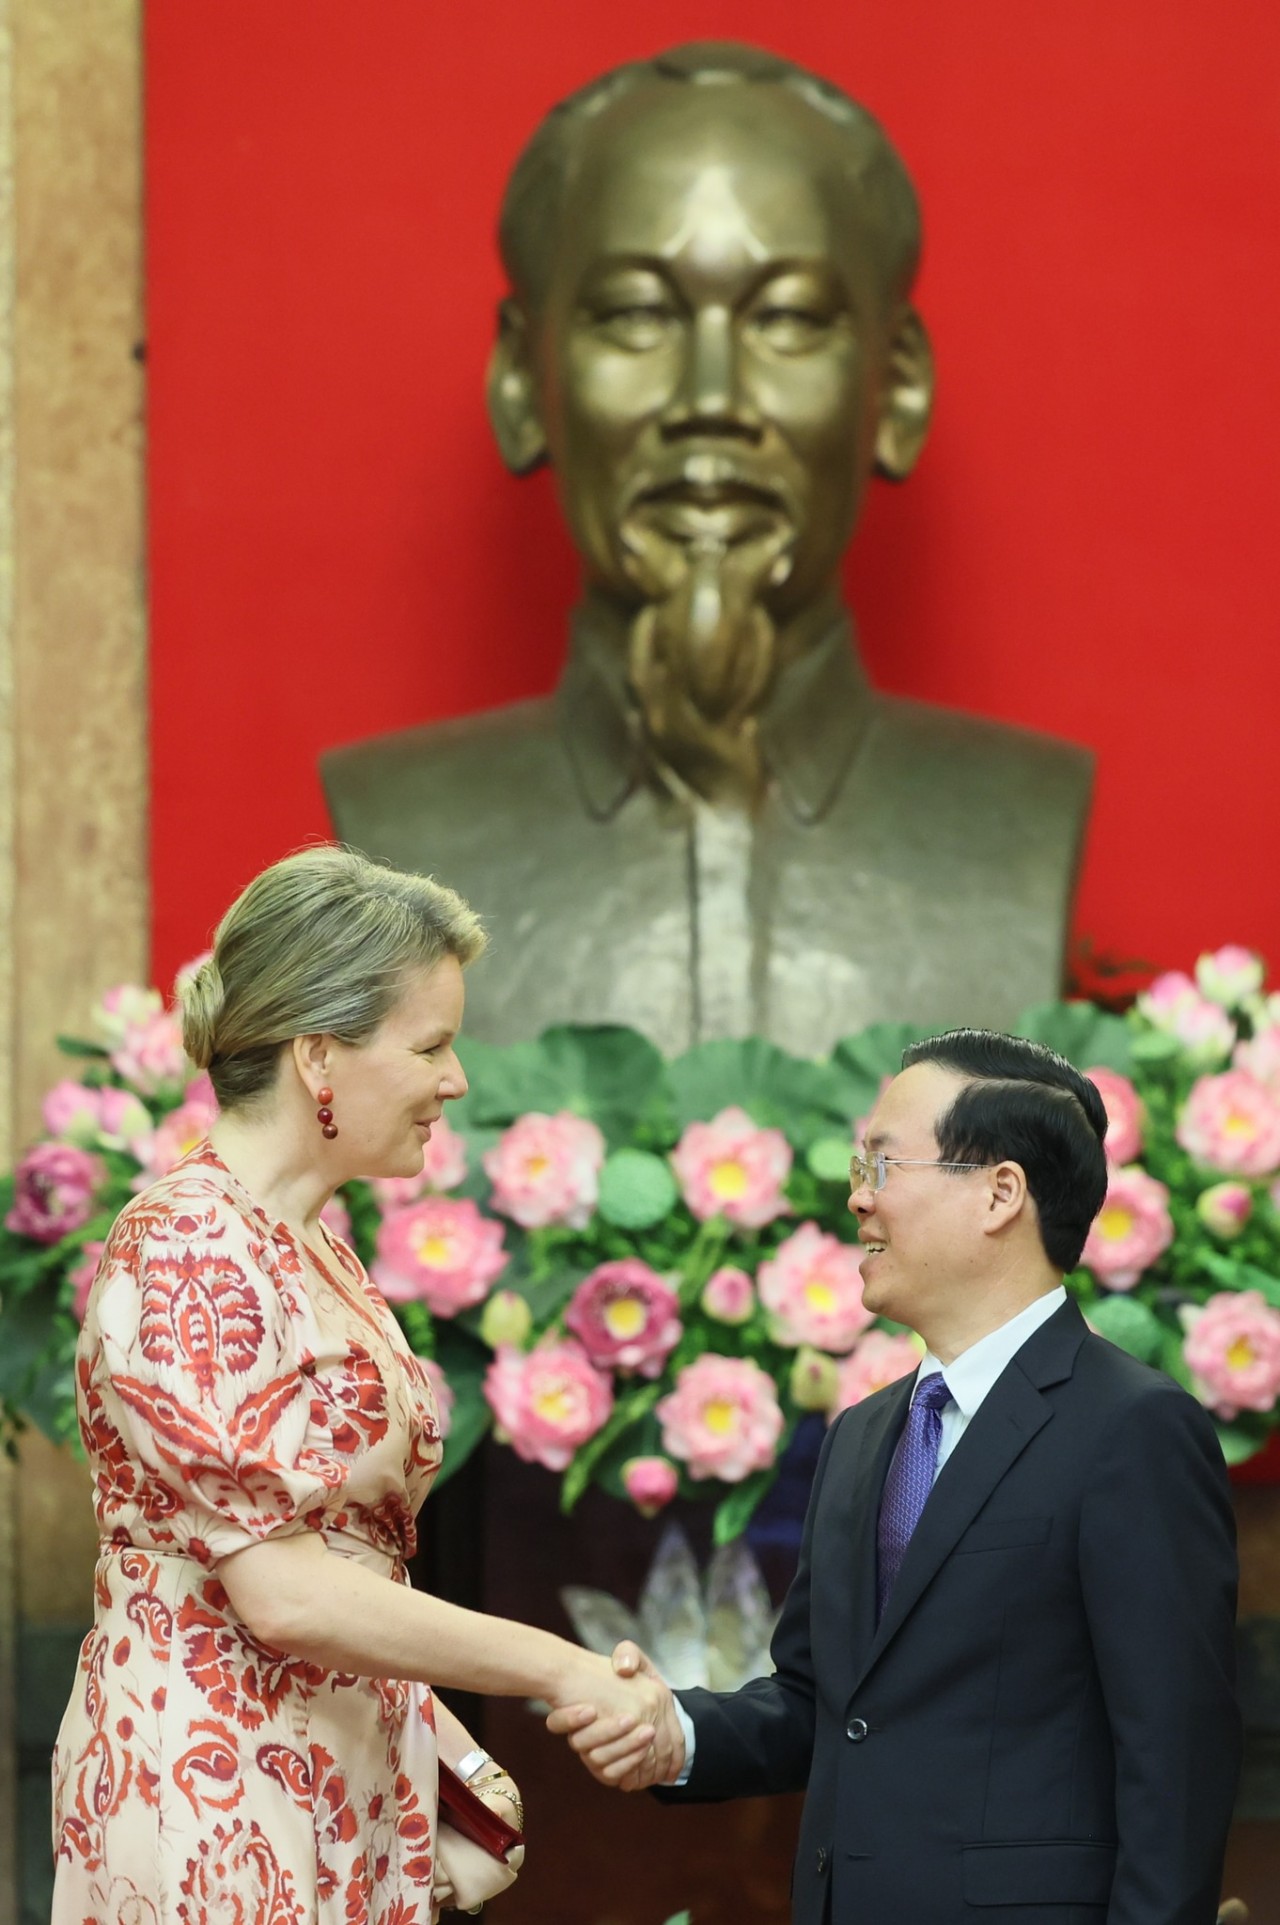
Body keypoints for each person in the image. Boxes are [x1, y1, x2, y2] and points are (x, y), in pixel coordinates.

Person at [322, 42, 1093, 1059]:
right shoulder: (397, 825)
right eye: (637, 314)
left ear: (895, 387)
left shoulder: (1019, 820)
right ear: (521, 379)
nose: (712, 401)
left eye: (786, 317)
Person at [50, 846, 675, 1925]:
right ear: (318, 1056)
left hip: (314, 1763)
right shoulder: (191, 1242)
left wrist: (434, 1746)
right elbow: (286, 1592)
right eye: (430, 1043)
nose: (456, 1078)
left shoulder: (306, 1243)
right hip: (214, 1778)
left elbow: (341, 1564)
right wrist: (564, 1667)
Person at [553, 1030, 1243, 1924]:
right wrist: (674, 1734)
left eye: (883, 1163)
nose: (857, 1197)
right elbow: (822, 1702)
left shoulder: (1131, 1428)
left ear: (1000, 1191)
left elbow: (1176, 1756)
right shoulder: (863, 1434)